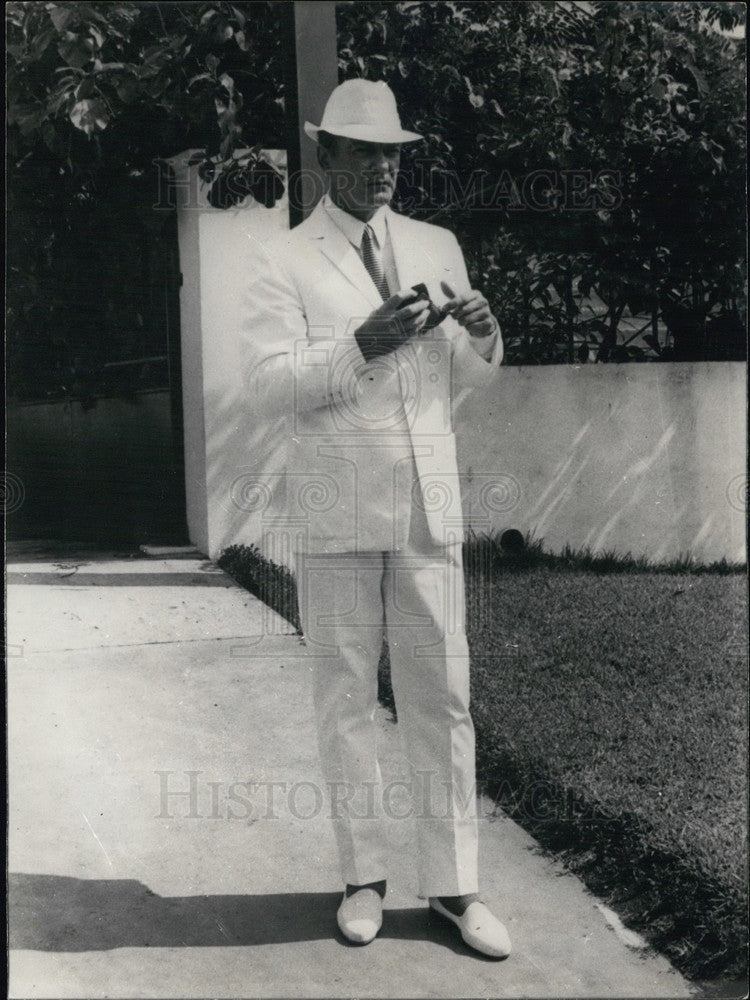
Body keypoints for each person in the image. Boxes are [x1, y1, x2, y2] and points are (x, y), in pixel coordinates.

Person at [242, 79, 511, 958]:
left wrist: (483, 332)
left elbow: (464, 380)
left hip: (428, 506)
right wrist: (358, 346)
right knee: (347, 699)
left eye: (392, 152)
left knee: (444, 699)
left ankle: (455, 888)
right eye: (363, 153)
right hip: (335, 507)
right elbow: (264, 384)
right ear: (326, 157)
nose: (382, 168)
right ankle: (363, 878)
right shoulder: (284, 260)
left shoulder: (436, 243)